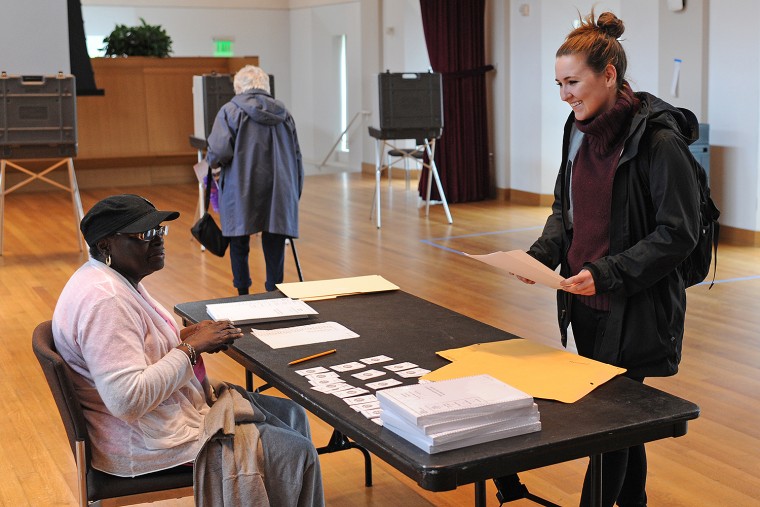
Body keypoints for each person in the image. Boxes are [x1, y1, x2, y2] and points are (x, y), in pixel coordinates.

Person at [495, 11, 702, 507]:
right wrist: (541, 256)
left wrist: (607, 272)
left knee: (607, 426)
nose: (565, 94)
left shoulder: (660, 142)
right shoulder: (575, 130)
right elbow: (565, 210)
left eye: (573, 82)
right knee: (621, 423)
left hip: (636, 307)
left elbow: (679, 234)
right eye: (559, 84)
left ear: (609, 75)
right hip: (585, 302)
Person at [52, 194, 324, 506]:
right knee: (296, 452)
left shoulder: (109, 278)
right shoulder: (106, 302)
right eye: (145, 235)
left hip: (155, 421)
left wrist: (185, 336)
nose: (158, 241)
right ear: (106, 245)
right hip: (143, 441)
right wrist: (190, 348)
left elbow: (134, 347)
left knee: (291, 414)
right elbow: (126, 400)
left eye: (160, 231)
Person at [206, 65, 303, 295]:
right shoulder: (284, 114)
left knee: (239, 240)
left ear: (239, 87)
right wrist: (294, 192)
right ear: (265, 87)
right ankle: (273, 291)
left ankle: (243, 293)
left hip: (241, 187)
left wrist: (212, 163)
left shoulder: (230, 111)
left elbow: (218, 152)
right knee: (275, 239)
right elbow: (296, 155)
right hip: (280, 187)